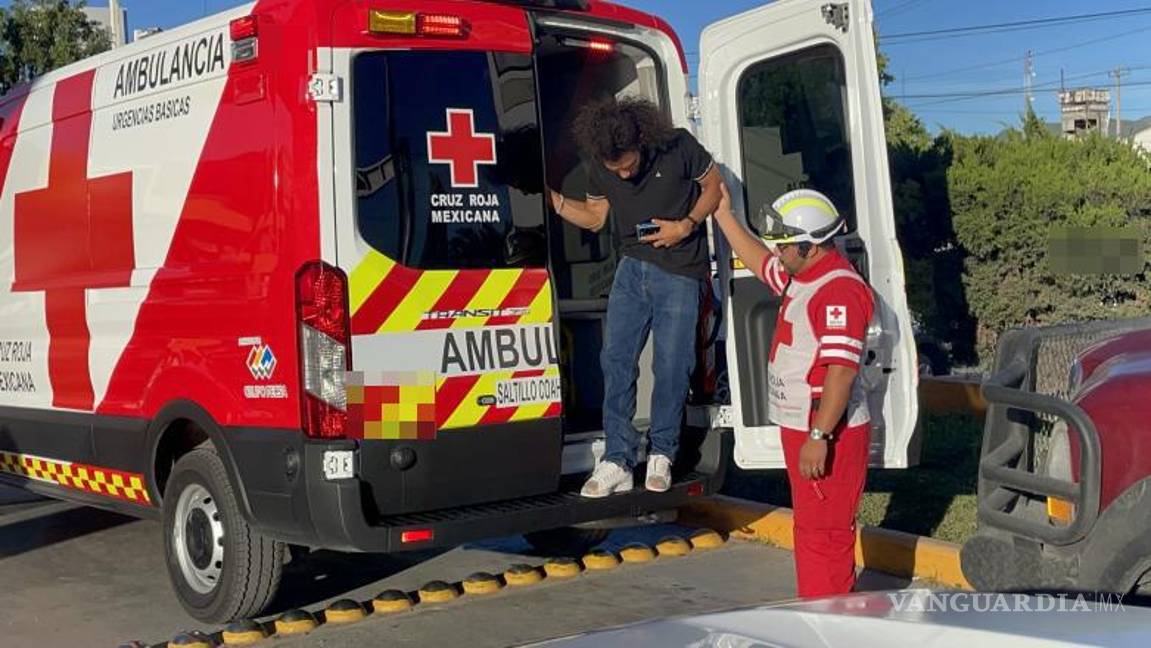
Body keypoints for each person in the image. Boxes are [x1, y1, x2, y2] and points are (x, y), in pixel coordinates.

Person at [550, 97, 722, 498]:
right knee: (616, 360)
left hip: (680, 269)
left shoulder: (678, 145)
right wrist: (553, 200)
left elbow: (714, 187)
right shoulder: (600, 164)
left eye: (628, 164)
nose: (624, 174)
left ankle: (662, 452)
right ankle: (618, 459)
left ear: (642, 140)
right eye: (616, 170)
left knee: (672, 364)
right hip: (631, 267)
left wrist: (686, 225)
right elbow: (595, 218)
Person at [712, 181, 875, 598]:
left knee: (826, 535)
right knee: (810, 529)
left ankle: (830, 624)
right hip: (804, 428)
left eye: (785, 246)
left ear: (812, 245)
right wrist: (724, 215)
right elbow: (760, 261)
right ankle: (815, 612)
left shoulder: (838, 288)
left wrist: (819, 436)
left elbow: (840, 372)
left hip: (828, 431)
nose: (778, 254)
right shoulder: (803, 274)